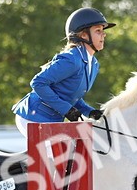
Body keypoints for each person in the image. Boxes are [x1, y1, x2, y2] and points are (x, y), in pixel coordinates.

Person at [12, 7, 111, 136]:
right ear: (83, 35)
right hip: (33, 116)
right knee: (53, 157)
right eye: (98, 31)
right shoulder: (71, 59)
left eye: (103, 31)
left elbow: (70, 95)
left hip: (51, 119)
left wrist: (89, 111)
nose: (104, 34)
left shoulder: (94, 64)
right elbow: (38, 83)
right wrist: (67, 110)